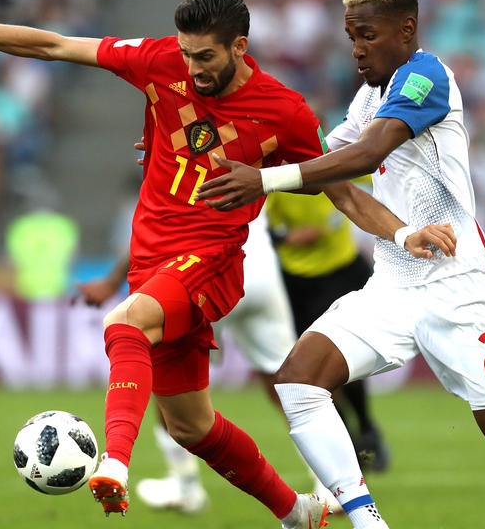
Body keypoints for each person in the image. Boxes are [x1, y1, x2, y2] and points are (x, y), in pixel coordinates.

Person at [0, 0, 454, 527]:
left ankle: (113, 461)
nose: (193, 68)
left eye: (206, 56)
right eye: (187, 54)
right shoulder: (160, 61)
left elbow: (342, 190)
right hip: (151, 261)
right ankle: (296, 512)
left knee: (124, 325)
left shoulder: (283, 111)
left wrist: (403, 235)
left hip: (211, 261)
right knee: (192, 427)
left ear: (240, 47)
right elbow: (55, 45)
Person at [194, 0, 485, 529]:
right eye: (351, 36)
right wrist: (195, 148)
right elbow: (325, 166)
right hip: (393, 284)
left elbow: (366, 155)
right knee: (298, 381)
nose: (356, 50)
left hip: (457, 285)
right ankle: (369, 522)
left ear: (406, 28)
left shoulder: (426, 79)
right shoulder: (370, 95)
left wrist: (268, 180)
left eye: (367, 35)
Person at [79, 207, 340, 515]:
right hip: (259, 271)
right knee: (286, 382)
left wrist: (112, 281)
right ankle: (332, 484)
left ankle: (185, 484)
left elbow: (153, 226)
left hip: (202, 272)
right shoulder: (255, 158)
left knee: (165, 367)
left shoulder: (177, 162)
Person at [265, 190, 389, 472]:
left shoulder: (329, 157)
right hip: (297, 283)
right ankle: (349, 442)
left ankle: (367, 428)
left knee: (347, 360)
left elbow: (371, 171)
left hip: (343, 271)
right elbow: (256, 228)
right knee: (315, 370)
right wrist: (287, 237)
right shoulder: (269, 174)